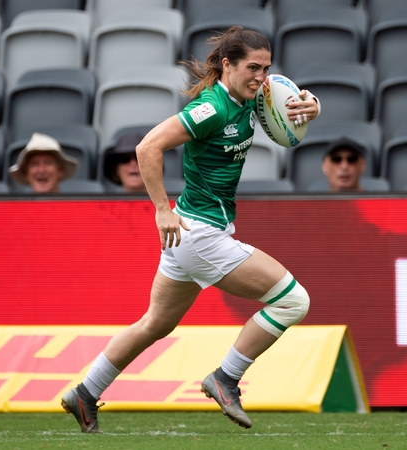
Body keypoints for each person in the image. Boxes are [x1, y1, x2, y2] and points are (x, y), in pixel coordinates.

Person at [61, 26, 320, 433]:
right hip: (200, 234)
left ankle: (85, 392)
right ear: (228, 65)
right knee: (292, 301)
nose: (261, 76)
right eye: (253, 67)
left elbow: (289, 107)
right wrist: (161, 209)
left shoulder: (249, 95)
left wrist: (312, 106)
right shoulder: (212, 108)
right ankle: (226, 378)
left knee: (155, 324)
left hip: (190, 236)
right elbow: (148, 147)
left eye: (266, 68)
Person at [8, 132, 77, 193]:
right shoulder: (14, 205)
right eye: (34, 164)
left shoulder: (78, 204)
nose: (41, 170)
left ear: (61, 170)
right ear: (25, 173)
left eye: (48, 163)